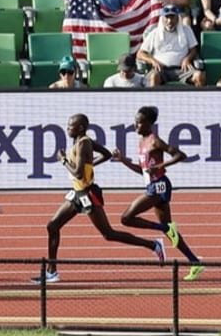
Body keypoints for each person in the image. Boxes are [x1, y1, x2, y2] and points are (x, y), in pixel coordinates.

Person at [32, 113, 164, 284]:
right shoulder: (81, 141)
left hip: (87, 194)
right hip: (77, 193)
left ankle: (153, 245)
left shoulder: (84, 143)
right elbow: (107, 154)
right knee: (53, 226)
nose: (67, 129)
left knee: (109, 234)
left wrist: (63, 160)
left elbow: (78, 173)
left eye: (70, 126)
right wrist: (89, 164)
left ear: (80, 128)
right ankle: (52, 271)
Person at [112, 106, 203, 281]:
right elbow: (143, 170)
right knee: (171, 232)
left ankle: (164, 230)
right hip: (151, 185)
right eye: (135, 121)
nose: (135, 125)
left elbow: (180, 155)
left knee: (126, 218)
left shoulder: (155, 141)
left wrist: (160, 166)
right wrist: (123, 160)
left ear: (149, 123)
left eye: (139, 122)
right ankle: (194, 262)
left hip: (159, 185)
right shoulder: (141, 142)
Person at [137, 4, 206, 87]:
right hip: (161, 70)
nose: (169, 21)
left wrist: (187, 58)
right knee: (154, 77)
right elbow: (140, 53)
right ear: (162, 18)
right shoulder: (154, 33)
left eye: (172, 17)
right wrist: (153, 61)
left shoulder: (186, 30)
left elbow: (193, 49)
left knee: (199, 76)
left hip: (182, 69)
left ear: (177, 18)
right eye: (167, 17)